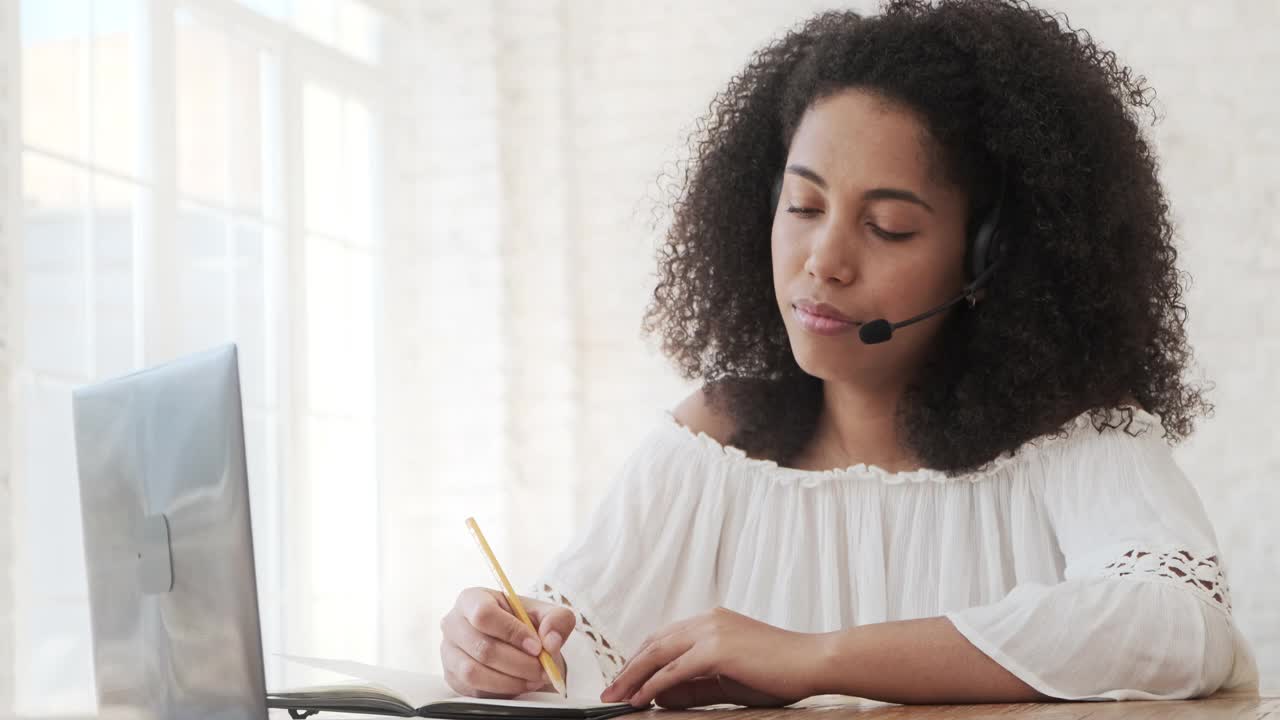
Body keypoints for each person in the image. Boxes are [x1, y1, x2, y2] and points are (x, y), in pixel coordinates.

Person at [438, 0, 1259, 707]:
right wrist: (504, 648)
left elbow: (1178, 624)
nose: (822, 261)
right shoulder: (713, 443)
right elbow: (577, 657)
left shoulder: (1077, 440)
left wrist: (812, 657)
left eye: (888, 226)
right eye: (802, 205)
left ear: (988, 260)